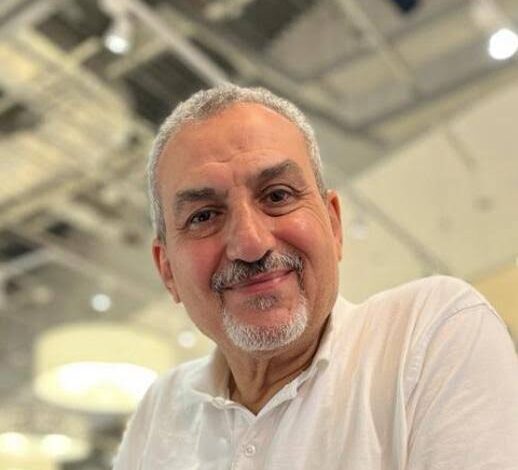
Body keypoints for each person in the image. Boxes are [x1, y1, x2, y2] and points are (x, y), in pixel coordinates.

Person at [113, 85, 518, 469]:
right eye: (204, 216)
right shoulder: (160, 411)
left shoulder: (428, 333)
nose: (250, 243)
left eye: (277, 196)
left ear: (334, 223)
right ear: (167, 270)